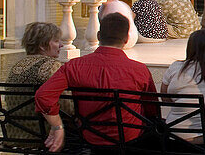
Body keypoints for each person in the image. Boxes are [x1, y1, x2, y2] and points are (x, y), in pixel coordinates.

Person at [34, 13, 157, 152]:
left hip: (90, 136)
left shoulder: (74, 66)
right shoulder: (140, 70)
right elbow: (152, 109)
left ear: (98, 36)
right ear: (127, 39)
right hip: (130, 138)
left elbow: (43, 96)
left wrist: (57, 127)